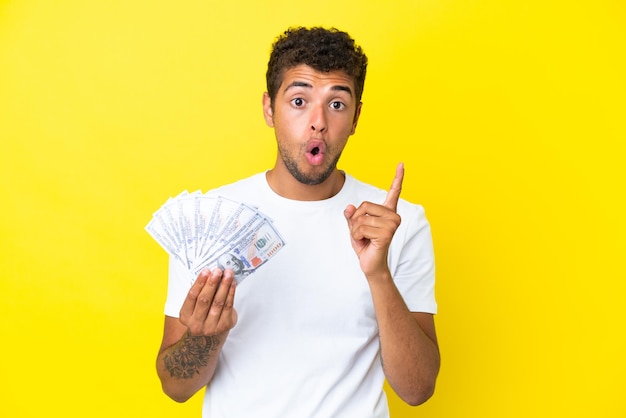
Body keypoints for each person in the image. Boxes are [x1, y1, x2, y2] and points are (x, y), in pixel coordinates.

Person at [156, 26, 440, 417]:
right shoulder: (209, 220)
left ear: (356, 117)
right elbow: (175, 387)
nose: (318, 122)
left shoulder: (399, 223)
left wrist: (378, 275)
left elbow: (418, 388)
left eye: (337, 104)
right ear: (269, 109)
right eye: (299, 100)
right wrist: (207, 338)